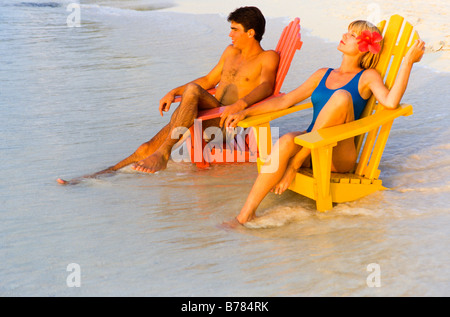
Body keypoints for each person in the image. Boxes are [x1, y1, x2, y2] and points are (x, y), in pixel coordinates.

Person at [223, 20, 425, 225]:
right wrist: (245, 111)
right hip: (311, 145)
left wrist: (407, 62)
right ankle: (245, 215)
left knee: (341, 97)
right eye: (346, 32)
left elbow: (391, 103)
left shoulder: (367, 77)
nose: (345, 36)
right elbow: (285, 101)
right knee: (285, 140)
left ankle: (295, 163)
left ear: (365, 49)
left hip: (337, 153)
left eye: (352, 36)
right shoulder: (323, 74)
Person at [57, 7, 279, 185]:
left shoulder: (267, 57)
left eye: (235, 29)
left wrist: (240, 105)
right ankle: (96, 177)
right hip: (210, 110)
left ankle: (164, 153)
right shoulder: (231, 52)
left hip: (225, 123)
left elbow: (267, 86)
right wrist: (174, 91)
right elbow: (209, 80)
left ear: (251, 33)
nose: (230, 34)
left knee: (191, 91)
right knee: (145, 148)